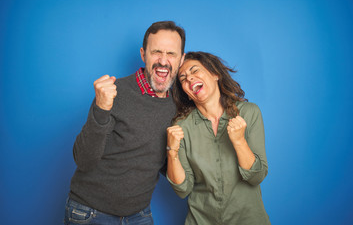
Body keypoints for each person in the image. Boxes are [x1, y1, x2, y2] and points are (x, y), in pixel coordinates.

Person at [64, 21, 186, 225]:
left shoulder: (177, 106)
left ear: (181, 59)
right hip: (90, 213)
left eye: (171, 54)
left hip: (138, 215)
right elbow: (84, 160)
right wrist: (101, 109)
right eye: (156, 52)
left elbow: (162, 163)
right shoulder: (113, 92)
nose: (163, 61)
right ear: (143, 54)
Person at [166, 52, 270, 224]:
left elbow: (256, 177)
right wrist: (172, 151)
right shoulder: (181, 126)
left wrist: (239, 141)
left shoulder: (249, 113)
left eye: (195, 71)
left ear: (215, 74)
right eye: (183, 78)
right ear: (185, 91)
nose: (189, 79)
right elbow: (182, 189)